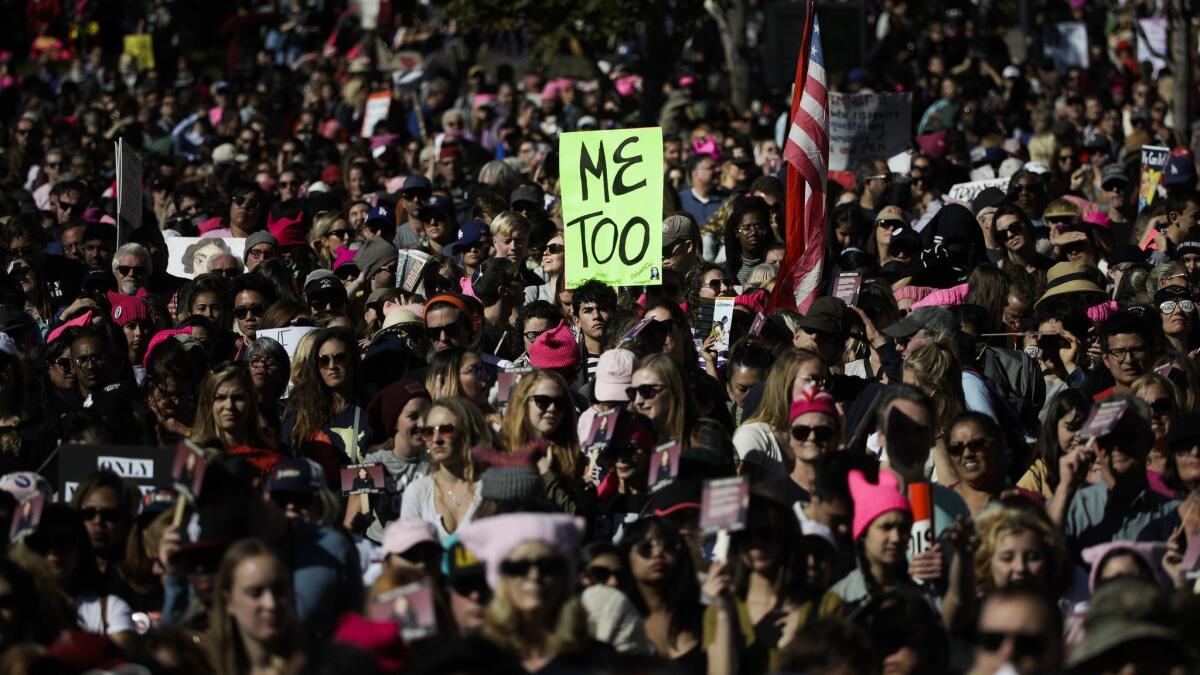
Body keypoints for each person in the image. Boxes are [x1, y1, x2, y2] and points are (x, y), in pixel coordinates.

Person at [206, 539, 300, 675]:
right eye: (255, 593)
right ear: (228, 602)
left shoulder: (321, 667)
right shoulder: (205, 668)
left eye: (279, 591)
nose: (271, 604)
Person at [400, 396, 490, 538]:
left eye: (446, 430)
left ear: (468, 432)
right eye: (428, 432)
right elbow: (409, 553)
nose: (436, 439)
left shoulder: (490, 488)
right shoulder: (417, 492)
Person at [501, 371, 581, 513]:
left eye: (559, 403)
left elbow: (577, 519)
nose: (552, 409)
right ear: (524, 403)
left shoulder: (574, 458)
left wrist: (546, 476)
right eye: (542, 401)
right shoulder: (500, 451)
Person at [192, 363, 281, 473]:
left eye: (238, 398)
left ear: (251, 401)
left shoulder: (269, 462)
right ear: (208, 403)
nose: (229, 406)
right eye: (220, 398)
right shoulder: (191, 458)